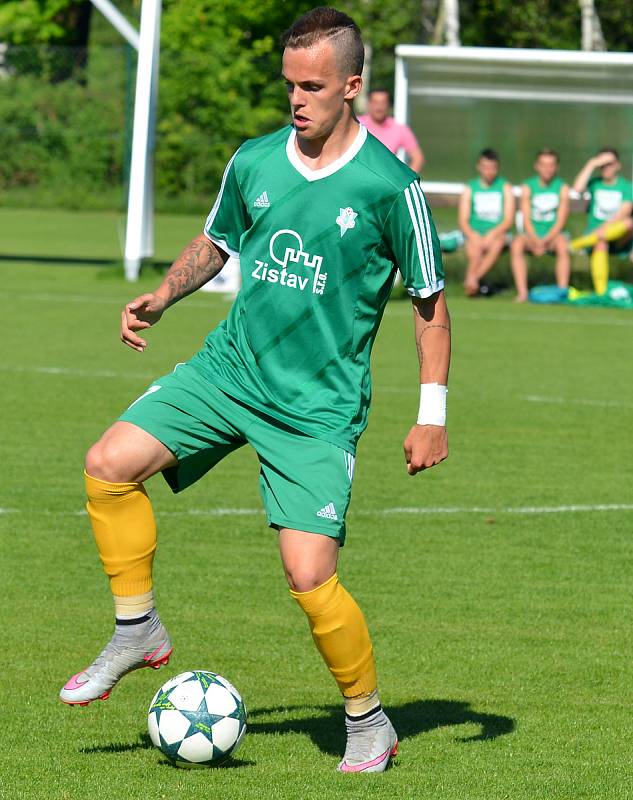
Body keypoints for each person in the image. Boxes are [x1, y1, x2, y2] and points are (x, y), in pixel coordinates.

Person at [59, 6, 451, 775]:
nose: (297, 99)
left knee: (309, 576)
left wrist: (429, 414)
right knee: (108, 463)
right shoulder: (256, 160)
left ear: (351, 86)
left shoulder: (390, 186)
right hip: (228, 371)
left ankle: (368, 723)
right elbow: (217, 240)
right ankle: (137, 629)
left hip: (315, 408)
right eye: (289, 85)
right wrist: (162, 296)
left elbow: (430, 306)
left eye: (312, 86)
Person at [511, 149, 570, 303]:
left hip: (554, 236)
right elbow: (526, 218)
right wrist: (535, 239)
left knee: (563, 245)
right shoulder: (528, 186)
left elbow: (561, 220)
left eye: (551, 165)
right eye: (543, 165)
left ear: (556, 167)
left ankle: (562, 291)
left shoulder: (562, 187)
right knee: (517, 243)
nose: (547, 169)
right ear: (537, 166)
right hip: (532, 235)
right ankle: (522, 293)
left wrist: (547, 239)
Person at [571, 148, 633, 295]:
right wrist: (591, 164)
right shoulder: (594, 184)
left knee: (629, 223)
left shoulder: (626, 187)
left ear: (618, 165)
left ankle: (578, 244)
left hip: (620, 238)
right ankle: (601, 292)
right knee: (601, 243)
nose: (606, 167)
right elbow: (577, 189)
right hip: (598, 239)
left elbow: (623, 214)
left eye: (610, 163)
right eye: (602, 164)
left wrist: (601, 230)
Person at [458, 149, 515, 296]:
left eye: (493, 168)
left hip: (497, 233)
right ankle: (473, 285)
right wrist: (472, 234)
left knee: (497, 243)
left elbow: (508, 219)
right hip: (474, 233)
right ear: (479, 167)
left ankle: (471, 280)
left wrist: (493, 233)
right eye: (485, 167)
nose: (489, 171)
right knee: (474, 249)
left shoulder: (505, 187)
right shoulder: (470, 188)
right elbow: (463, 220)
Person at [358, 89, 424, 173]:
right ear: (369, 104)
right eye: (375, 102)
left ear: (389, 105)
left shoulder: (399, 129)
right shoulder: (356, 124)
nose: (379, 107)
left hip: (384, 182)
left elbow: (418, 158)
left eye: (383, 103)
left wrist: (403, 180)